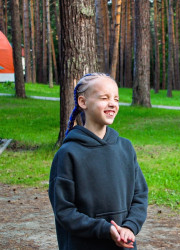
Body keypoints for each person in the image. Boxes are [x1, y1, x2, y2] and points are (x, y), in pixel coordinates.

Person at [49, 73, 148, 250]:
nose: (112, 103)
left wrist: (129, 226)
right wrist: (105, 229)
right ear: (83, 102)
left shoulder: (125, 148)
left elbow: (139, 196)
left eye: (116, 99)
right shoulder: (68, 154)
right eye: (104, 98)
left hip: (123, 244)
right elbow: (64, 211)